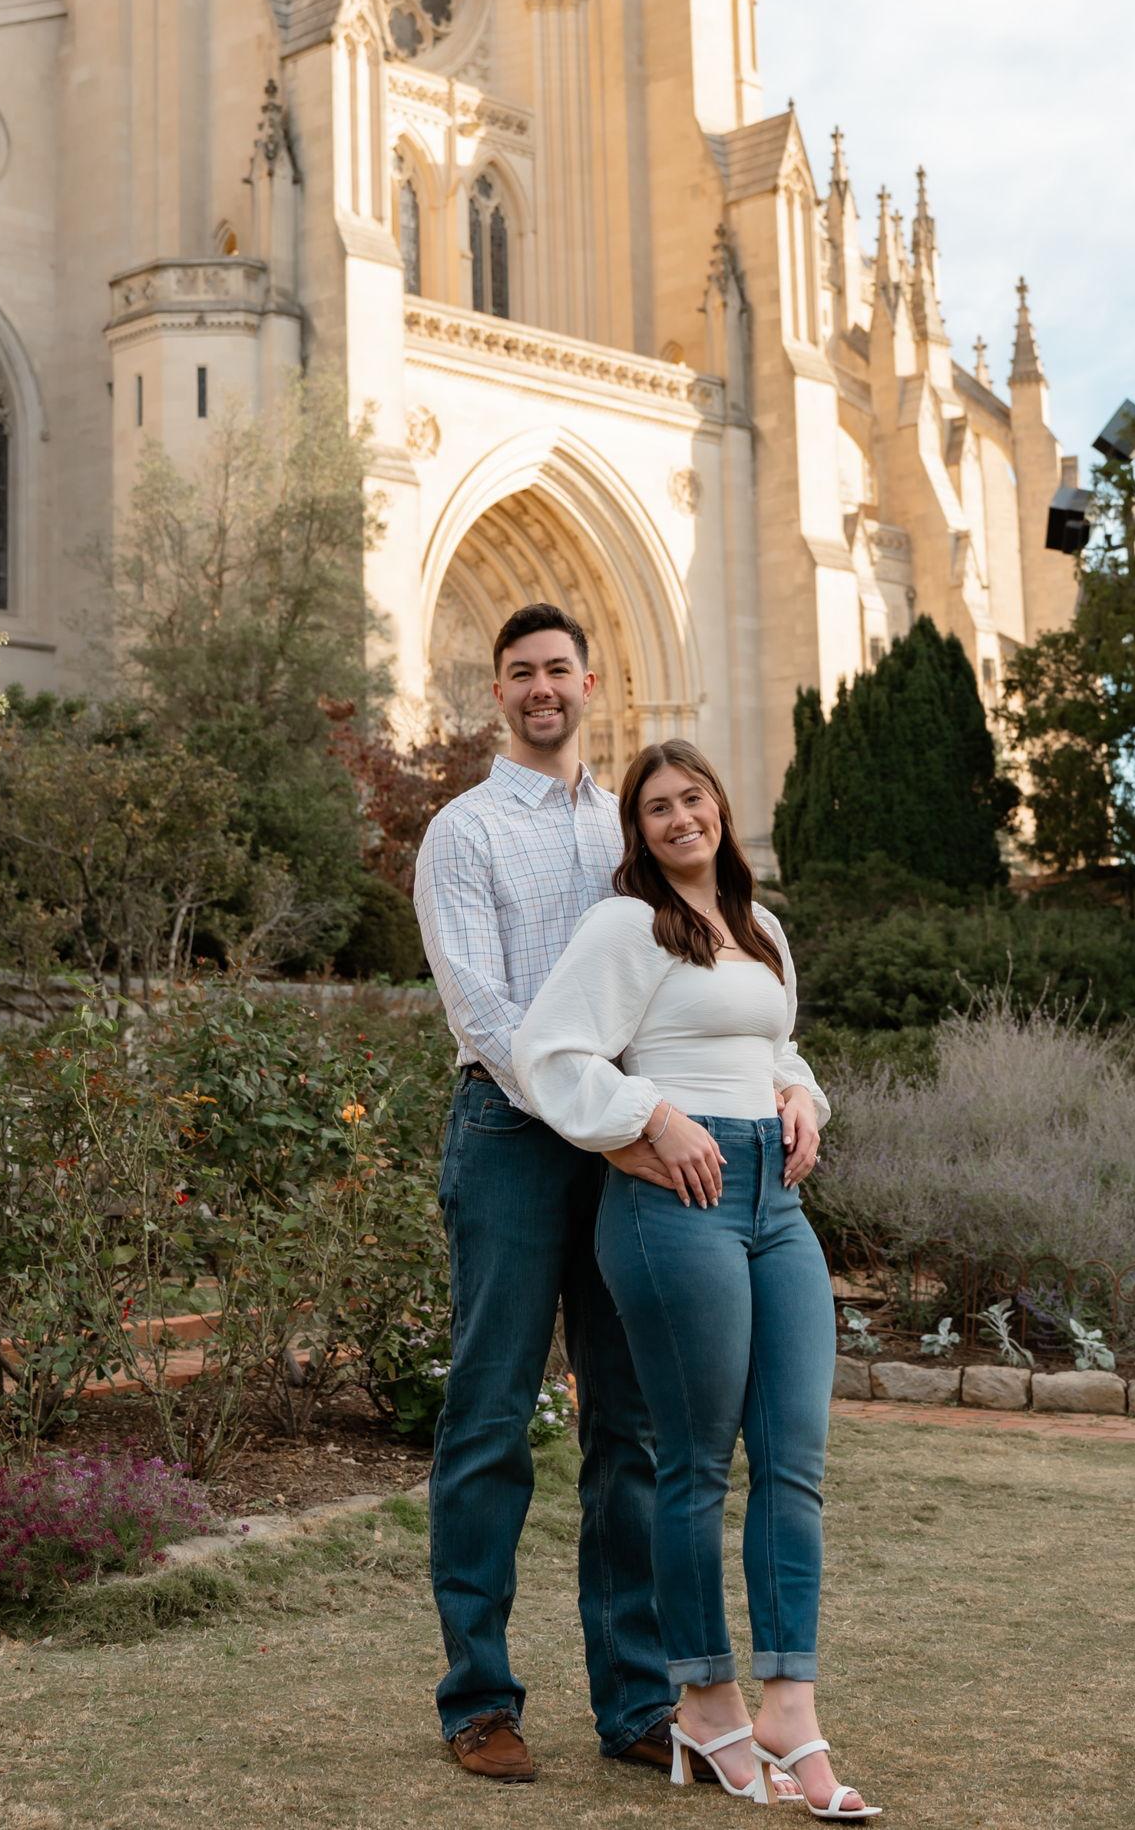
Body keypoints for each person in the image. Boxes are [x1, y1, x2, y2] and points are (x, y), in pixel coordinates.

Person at [513, 739, 879, 1820]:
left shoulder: (761, 929)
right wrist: (649, 1116)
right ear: (638, 831)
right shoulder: (626, 925)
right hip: (678, 1202)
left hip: (776, 1203)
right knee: (694, 1467)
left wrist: (802, 1096)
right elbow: (551, 1052)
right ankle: (707, 1704)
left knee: (794, 1463)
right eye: (657, 807)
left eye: (693, 798)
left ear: (720, 804)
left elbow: (775, 1047)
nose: (681, 819)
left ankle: (790, 1710)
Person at [412, 603, 689, 1783]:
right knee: (488, 1422)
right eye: (519, 671)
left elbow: (683, 981)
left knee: (627, 1427)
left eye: (558, 669)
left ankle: (636, 1704)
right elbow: (484, 1013)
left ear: (590, 682)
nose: (541, 687)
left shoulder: (629, 831)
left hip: (623, 1142)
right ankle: (478, 1702)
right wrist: (608, 1119)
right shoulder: (463, 833)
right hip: (513, 1139)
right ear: (498, 693)